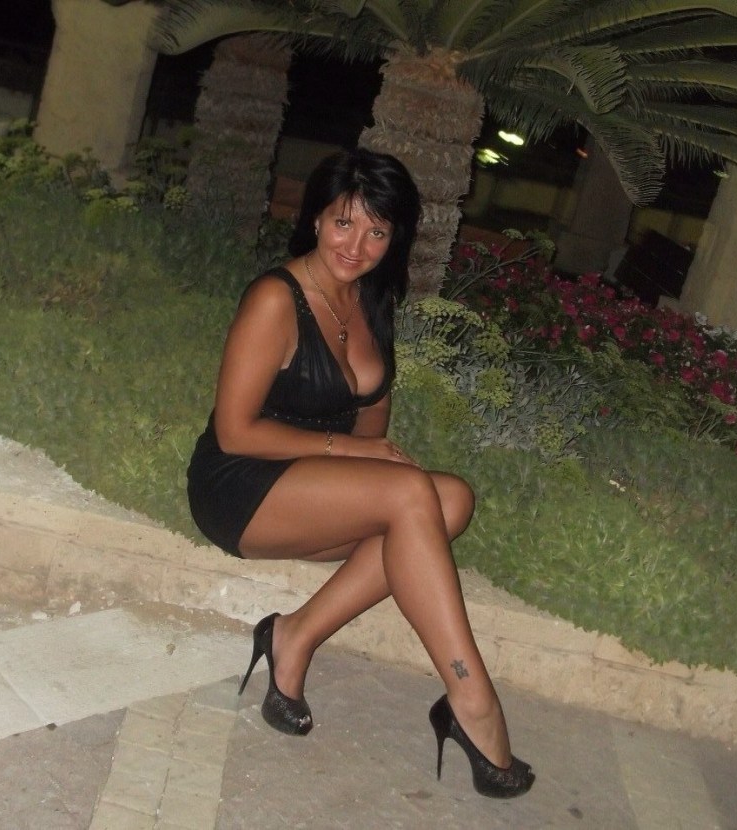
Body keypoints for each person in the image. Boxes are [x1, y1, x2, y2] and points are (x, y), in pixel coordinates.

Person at [187, 148, 534, 798]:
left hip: (312, 486)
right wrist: (349, 456)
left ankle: (293, 636)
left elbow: (371, 426)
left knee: (451, 501)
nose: (357, 246)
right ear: (317, 219)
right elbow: (235, 431)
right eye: (344, 223)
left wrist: (363, 465)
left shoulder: (370, 299)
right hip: (240, 484)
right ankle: (472, 700)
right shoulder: (275, 298)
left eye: (377, 231)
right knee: (412, 496)